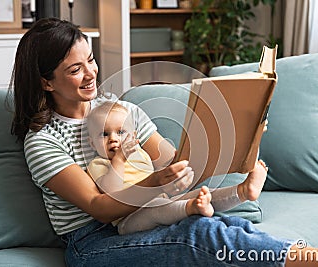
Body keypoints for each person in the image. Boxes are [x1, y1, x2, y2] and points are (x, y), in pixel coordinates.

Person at [10, 17, 318, 267]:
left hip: (151, 212)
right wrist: (153, 182)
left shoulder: (121, 110)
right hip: (93, 242)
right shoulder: (43, 141)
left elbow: (177, 163)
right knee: (201, 236)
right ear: (46, 83)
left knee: (225, 225)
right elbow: (99, 207)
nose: (91, 74)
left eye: (91, 60)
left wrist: (243, 135)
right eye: (75, 70)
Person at [86, 101, 260, 235]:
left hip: (163, 200)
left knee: (201, 193)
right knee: (158, 207)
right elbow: (111, 192)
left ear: (133, 136)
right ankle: (191, 208)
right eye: (104, 134)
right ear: (92, 143)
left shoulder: (140, 154)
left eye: (121, 132)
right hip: (128, 220)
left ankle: (242, 192)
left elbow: (168, 167)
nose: (113, 139)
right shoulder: (98, 164)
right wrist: (119, 159)